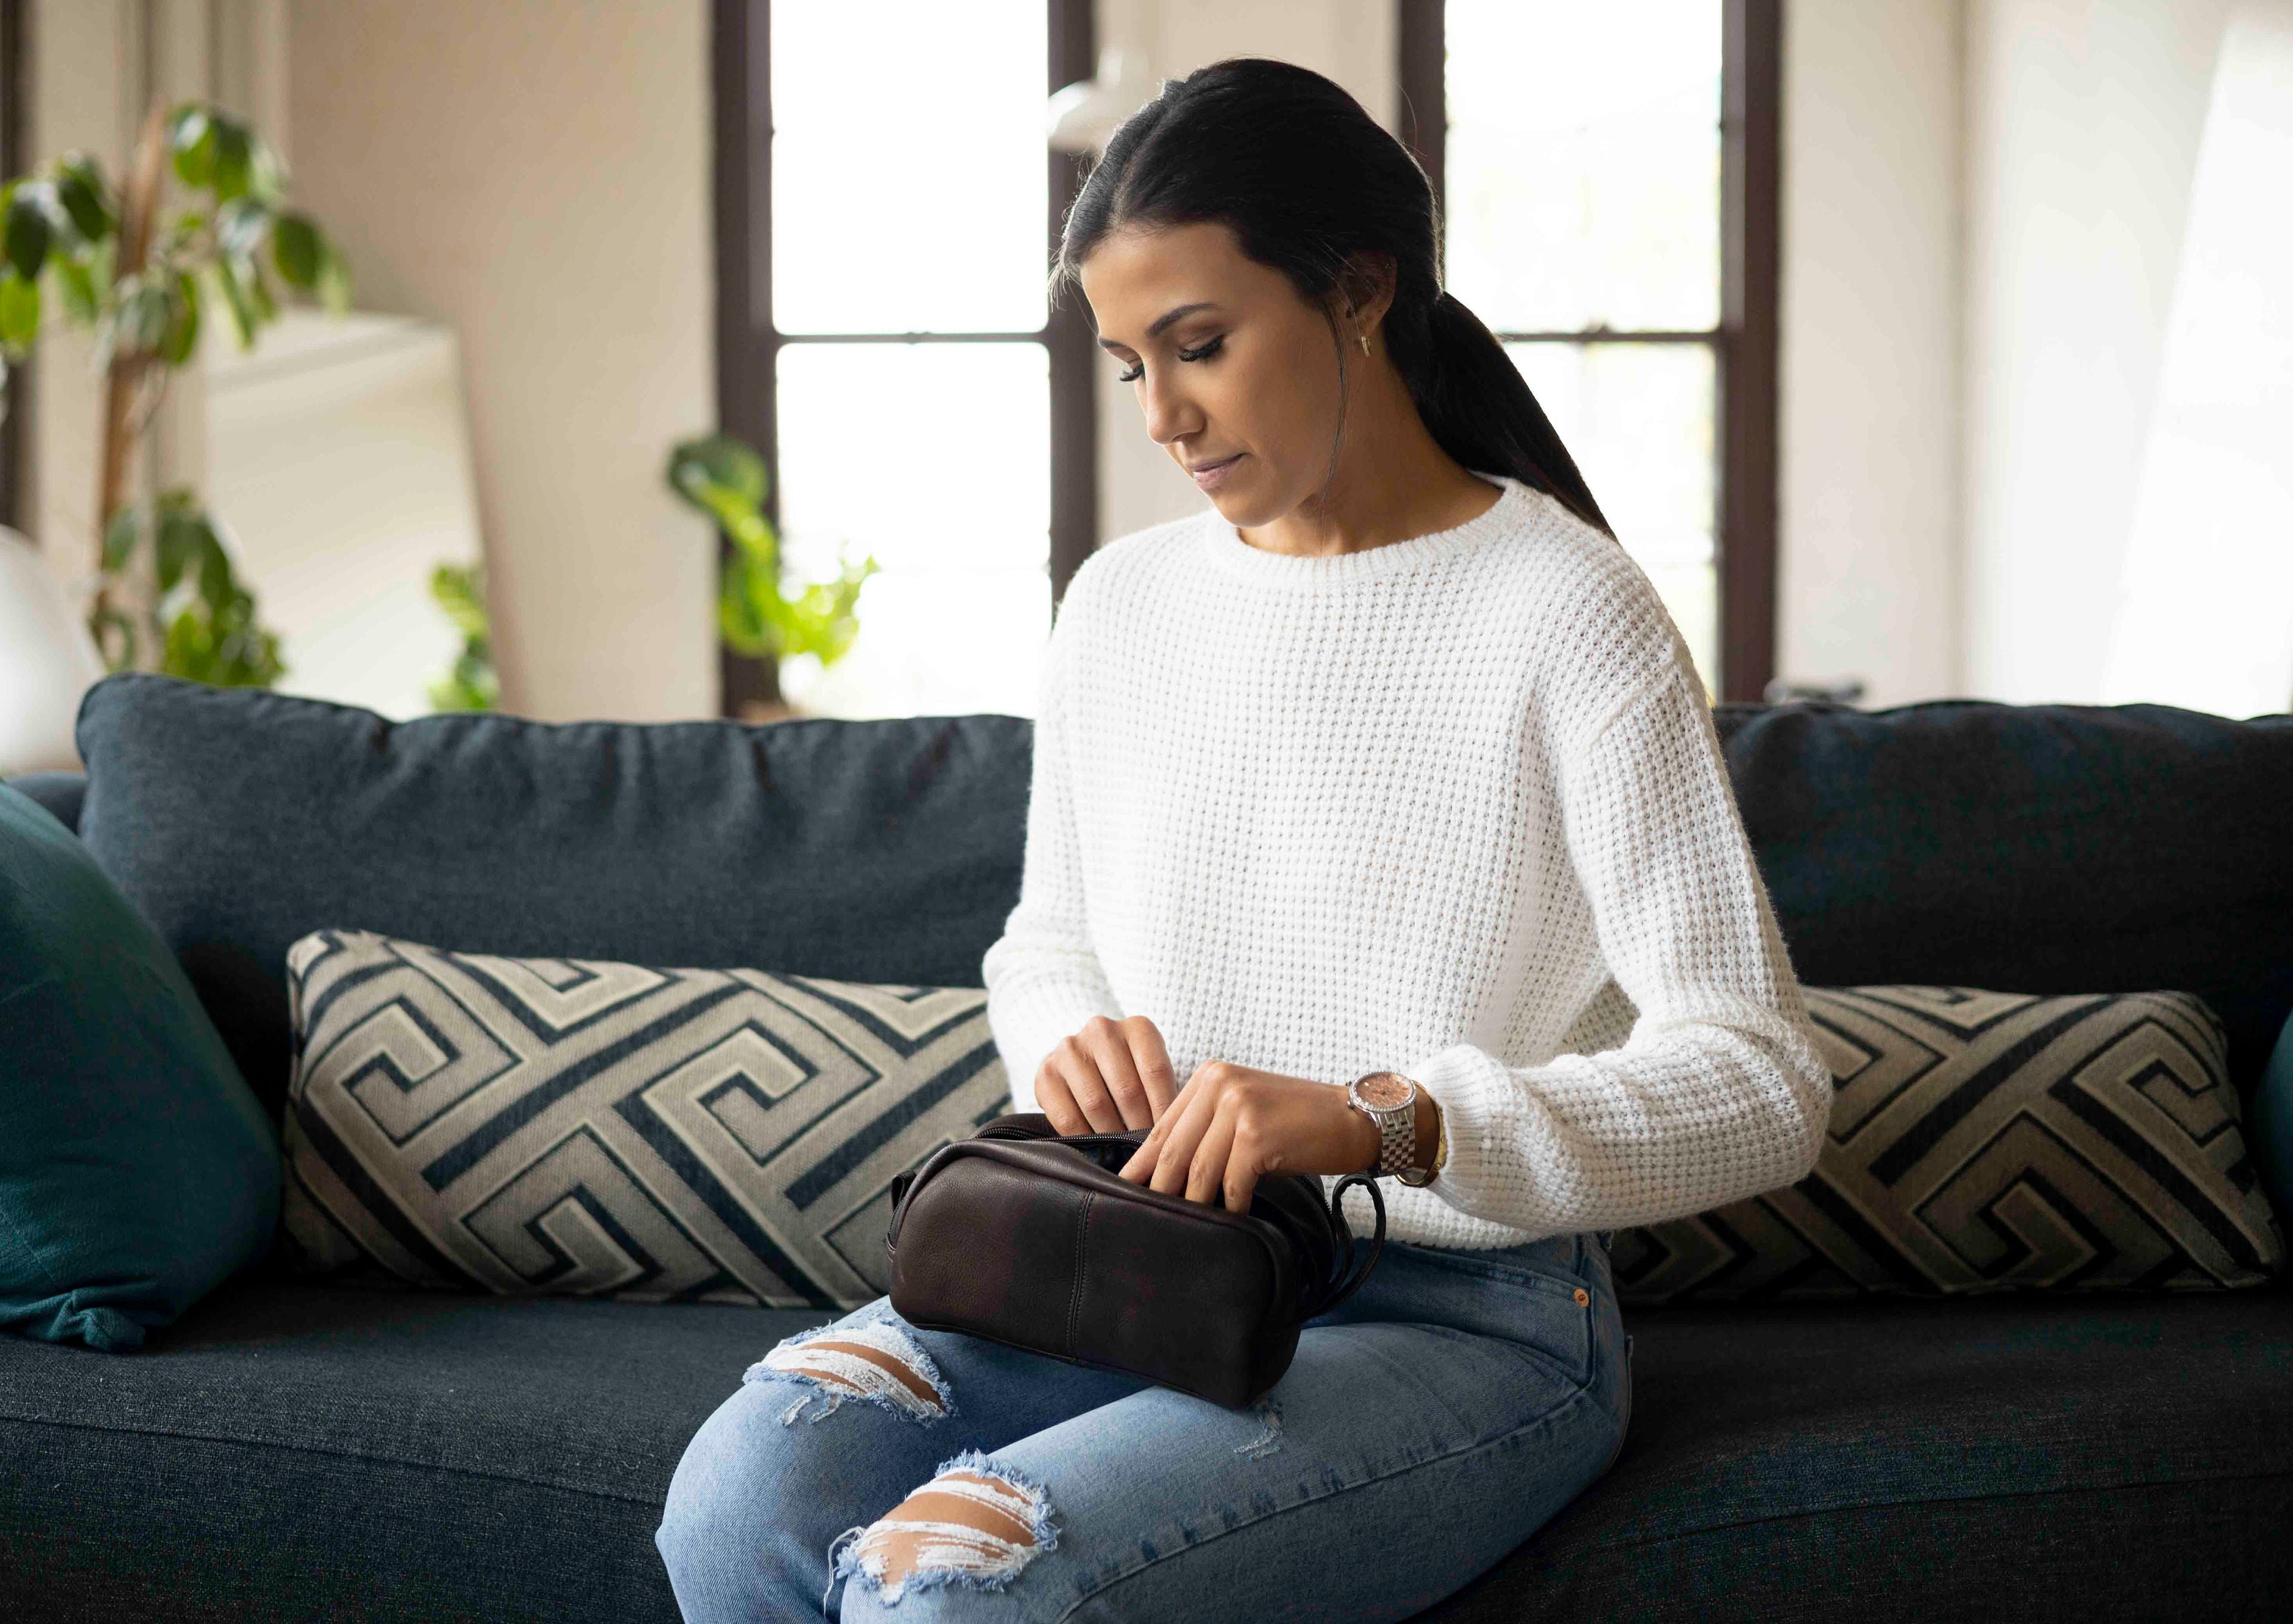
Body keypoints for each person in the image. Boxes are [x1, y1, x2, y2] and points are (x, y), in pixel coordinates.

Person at [658, 55, 1833, 1623]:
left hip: (1468, 1315)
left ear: (1360, 292)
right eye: (1130, 364)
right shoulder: (1121, 606)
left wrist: (1377, 1119)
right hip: (1125, 1258)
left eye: (1200, 346)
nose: (1163, 415)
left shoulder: (1571, 615)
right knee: (739, 1506)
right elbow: (1047, 942)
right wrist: (1067, 1044)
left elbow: (1760, 1079)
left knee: (960, 1592)